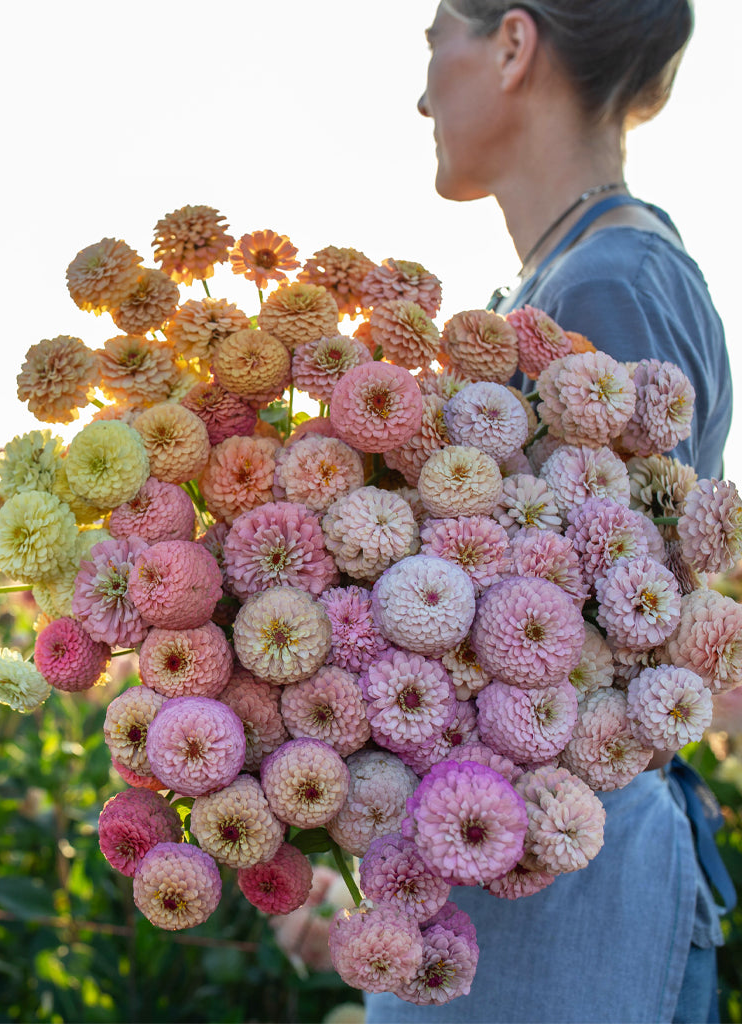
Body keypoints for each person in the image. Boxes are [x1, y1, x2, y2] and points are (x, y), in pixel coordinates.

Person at [365, 2, 734, 1022]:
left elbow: (609, 645)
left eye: (438, 36)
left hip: (572, 906)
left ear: (514, 45)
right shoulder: (572, 279)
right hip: (542, 890)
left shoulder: (610, 287)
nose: (422, 89)